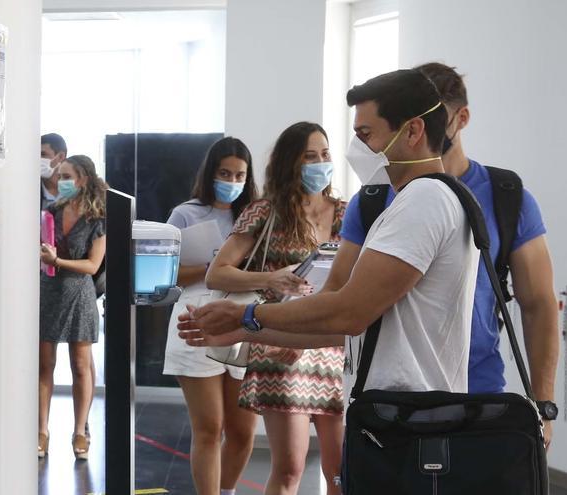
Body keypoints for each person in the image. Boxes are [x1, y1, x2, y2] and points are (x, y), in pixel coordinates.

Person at [178, 69, 478, 407]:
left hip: (408, 414)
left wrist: (247, 315)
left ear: (412, 131)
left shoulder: (425, 200)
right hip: (396, 413)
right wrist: (245, 331)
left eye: (366, 134)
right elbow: (348, 328)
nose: (358, 148)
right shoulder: (419, 199)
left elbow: (348, 312)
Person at [334, 62, 559, 447]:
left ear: (459, 118)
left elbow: (538, 305)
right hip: (395, 400)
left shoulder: (506, 196)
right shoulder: (371, 200)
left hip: (479, 394)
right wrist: (254, 323)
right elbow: (338, 300)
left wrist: (543, 405)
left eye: (438, 113)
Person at [203, 123, 347, 495]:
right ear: (290, 163)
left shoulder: (349, 213)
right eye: (309, 156)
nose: (320, 163)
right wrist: (269, 279)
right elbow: (217, 274)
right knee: (289, 469)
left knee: (341, 472)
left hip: (330, 347)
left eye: (325, 155)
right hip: (278, 344)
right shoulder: (264, 211)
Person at [162, 137, 259, 495]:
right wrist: (215, 267)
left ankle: (227, 490)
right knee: (209, 426)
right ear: (210, 173)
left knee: (243, 431)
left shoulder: (254, 214)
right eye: (224, 173)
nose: (231, 181)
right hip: (195, 316)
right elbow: (166, 273)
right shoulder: (185, 213)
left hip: (243, 320)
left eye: (239, 174)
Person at [38, 155, 107, 460]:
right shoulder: (49, 212)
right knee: (44, 365)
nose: (61, 181)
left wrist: (57, 261)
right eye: (60, 176)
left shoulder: (98, 219)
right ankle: (41, 430)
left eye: (67, 176)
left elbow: (92, 266)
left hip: (79, 294)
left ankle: (80, 431)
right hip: (49, 291)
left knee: (81, 366)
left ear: (83, 180)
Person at [41, 133, 68, 210]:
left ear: (60, 157)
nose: (38, 159)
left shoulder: (74, 190)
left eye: (43, 154)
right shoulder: (29, 190)